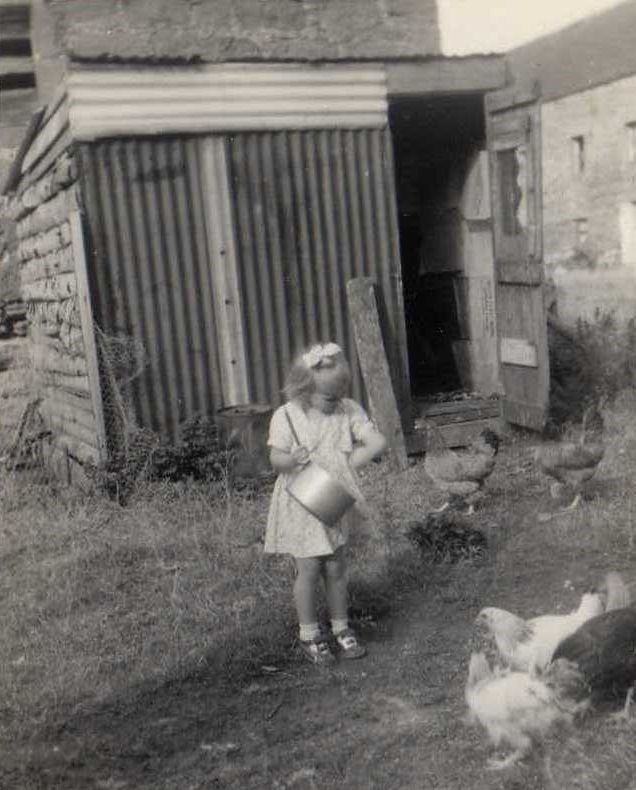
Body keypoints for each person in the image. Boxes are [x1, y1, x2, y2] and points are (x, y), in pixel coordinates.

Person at [264, 342, 387, 665]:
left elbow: (376, 442)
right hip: (303, 501)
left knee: (336, 566)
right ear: (304, 389)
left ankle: (341, 628)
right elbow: (275, 457)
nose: (335, 401)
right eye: (327, 396)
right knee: (308, 567)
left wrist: (353, 462)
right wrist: (290, 459)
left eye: (339, 393)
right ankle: (309, 634)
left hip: (333, 497)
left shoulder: (347, 410)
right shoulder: (287, 415)